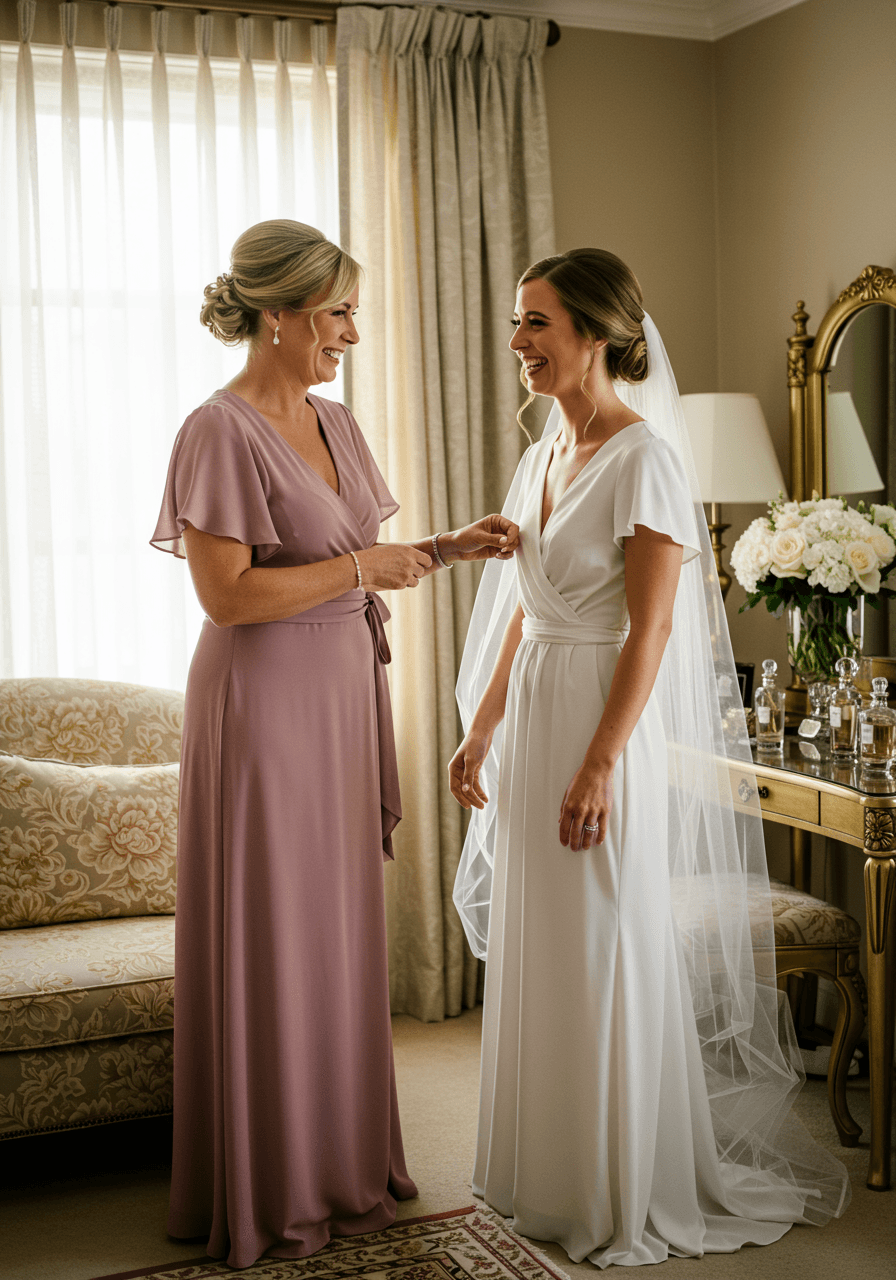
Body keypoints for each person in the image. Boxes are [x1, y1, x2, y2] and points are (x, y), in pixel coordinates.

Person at [449, 249, 850, 1268]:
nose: (518, 343)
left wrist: (596, 767)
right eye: (515, 322)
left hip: (598, 723)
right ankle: (538, 1170)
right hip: (537, 706)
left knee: (596, 943)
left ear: (594, 331)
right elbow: (524, 613)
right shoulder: (542, 451)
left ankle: (613, 1183)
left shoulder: (645, 458)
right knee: (545, 944)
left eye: (535, 322)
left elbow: (650, 631)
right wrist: (482, 724)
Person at [150, 219, 520, 1269]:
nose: (351, 331)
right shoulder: (214, 430)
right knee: (276, 925)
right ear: (279, 316)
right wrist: (365, 570)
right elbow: (226, 595)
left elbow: (357, 550)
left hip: (340, 689)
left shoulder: (334, 421)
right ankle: (270, 1176)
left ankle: (343, 1158)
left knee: (335, 923)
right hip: (262, 701)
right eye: (338, 313)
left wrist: (442, 547)